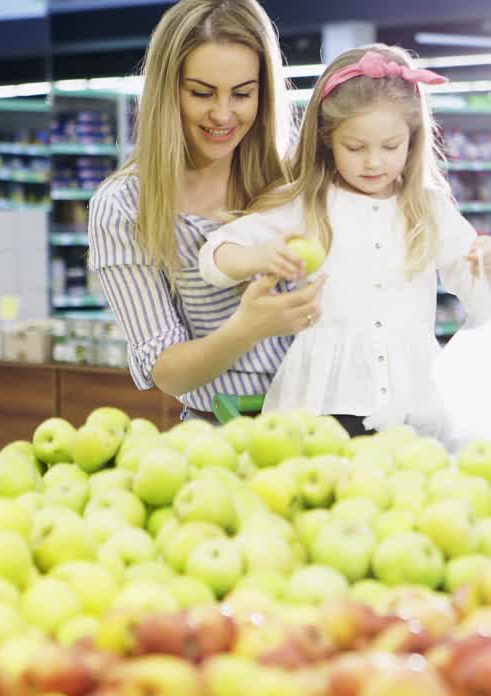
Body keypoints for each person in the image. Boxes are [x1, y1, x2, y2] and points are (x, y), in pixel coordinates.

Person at [199, 44, 491, 438]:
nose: (373, 162)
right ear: (328, 139)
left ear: (413, 141)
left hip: (411, 401)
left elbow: (482, 300)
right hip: (323, 403)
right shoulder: (307, 204)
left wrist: (489, 264)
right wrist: (260, 256)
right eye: (356, 148)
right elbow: (213, 256)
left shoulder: (429, 209)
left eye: (391, 146)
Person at [87, 0, 323, 422]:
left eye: (243, 94)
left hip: (326, 424)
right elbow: (167, 369)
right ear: (166, 90)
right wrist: (246, 328)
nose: (223, 114)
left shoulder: (293, 182)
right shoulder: (125, 207)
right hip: (219, 433)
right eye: (201, 92)